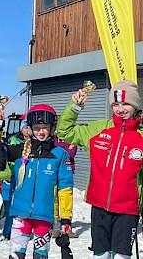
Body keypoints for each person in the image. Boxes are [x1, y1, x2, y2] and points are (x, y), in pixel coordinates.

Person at [56, 80, 143, 259]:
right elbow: (64, 132)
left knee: (121, 255)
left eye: (126, 103)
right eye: (116, 104)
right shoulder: (97, 129)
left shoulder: (140, 136)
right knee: (100, 254)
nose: (120, 109)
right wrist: (75, 107)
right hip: (99, 207)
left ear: (135, 106)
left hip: (128, 209)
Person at [7, 104, 73, 259]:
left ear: (51, 128)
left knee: (40, 255)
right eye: (36, 128)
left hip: (44, 216)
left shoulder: (60, 154)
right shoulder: (20, 151)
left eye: (44, 127)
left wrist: (66, 217)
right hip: (20, 215)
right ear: (30, 129)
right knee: (16, 255)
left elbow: (65, 187)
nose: (41, 132)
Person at [1, 118, 29, 240]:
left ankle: (22, 229)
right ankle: (8, 231)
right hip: (12, 175)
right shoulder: (13, 140)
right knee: (10, 205)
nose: (27, 130)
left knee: (23, 205)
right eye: (25, 127)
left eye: (29, 127)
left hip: (26, 176)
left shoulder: (34, 141)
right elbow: (10, 156)